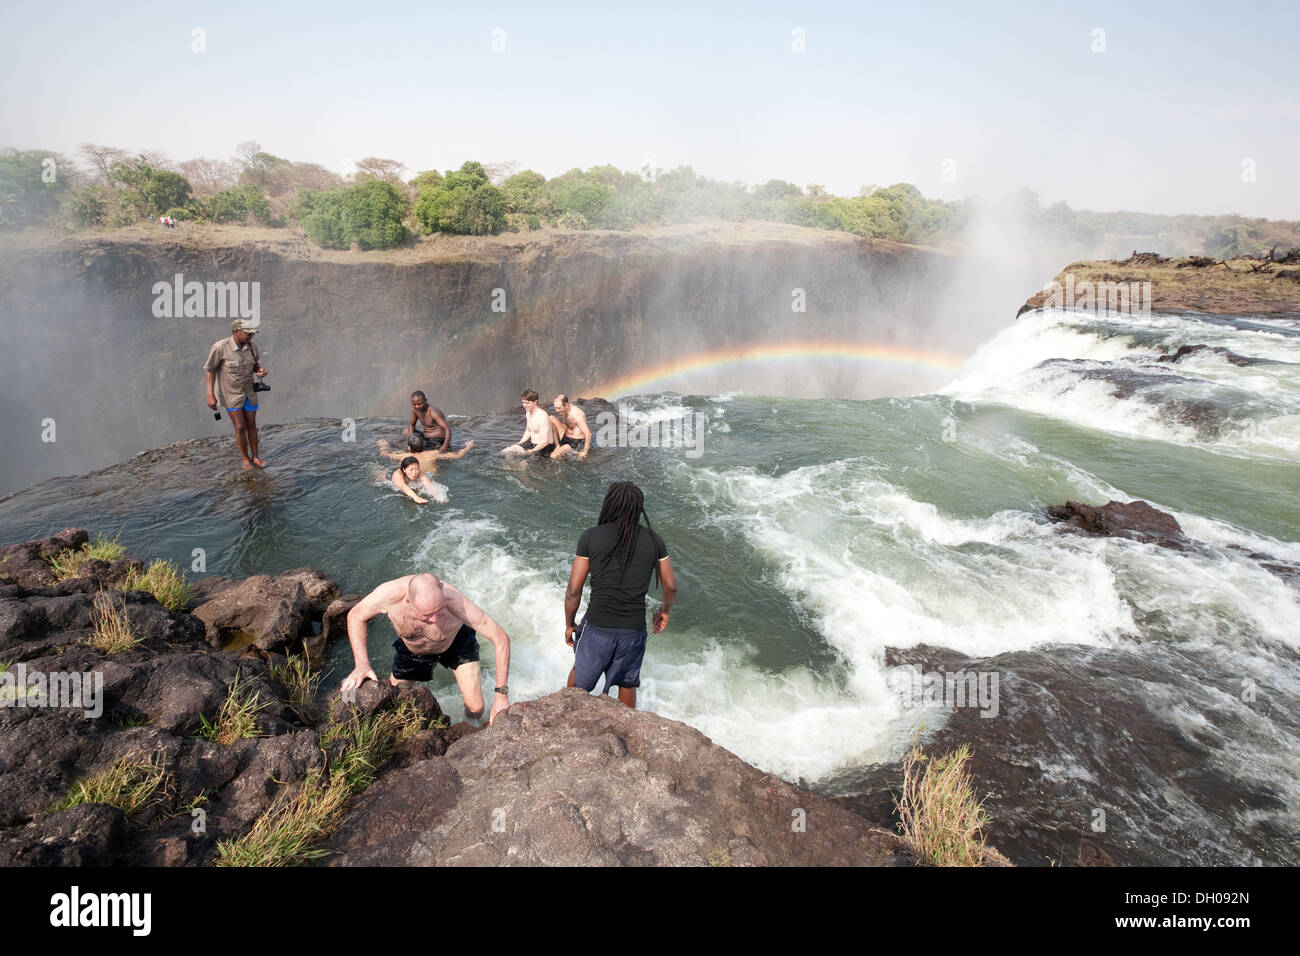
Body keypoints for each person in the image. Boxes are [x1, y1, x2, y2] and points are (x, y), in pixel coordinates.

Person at [342, 572, 511, 723]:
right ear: (408, 600)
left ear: (442, 590)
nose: (435, 619)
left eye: (439, 610)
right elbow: (356, 616)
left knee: (476, 709)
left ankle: (469, 726)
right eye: (427, 614)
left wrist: (501, 695)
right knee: (395, 702)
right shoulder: (388, 596)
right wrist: (362, 664)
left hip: (456, 644)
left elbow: (501, 638)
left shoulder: (456, 601)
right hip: (413, 650)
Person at [564, 481, 676, 708]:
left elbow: (574, 590)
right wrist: (664, 611)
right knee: (627, 683)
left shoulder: (591, 536)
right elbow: (671, 586)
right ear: (639, 509)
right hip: (632, 631)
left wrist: (569, 624)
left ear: (609, 505)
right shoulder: (655, 541)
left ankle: (566, 719)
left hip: (597, 627)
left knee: (579, 683)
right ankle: (626, 730)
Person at [204, 318, 267, 470]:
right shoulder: (220, 347)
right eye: (248, 334)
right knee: (240, 427)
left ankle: (256, 457)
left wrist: (259, 370)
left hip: (249, 392)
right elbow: (210, 370)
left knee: (252, 424)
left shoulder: (251, 346)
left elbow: (255, 363)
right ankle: (245, 459)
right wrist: (210, 395)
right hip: (231, 394)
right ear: (236, 332)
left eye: (252, 335)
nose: (251, 337)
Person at [377, 432, 475, 473]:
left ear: (409, 447)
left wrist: (383, 445)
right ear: (423, 445)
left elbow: (385, 454)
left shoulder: (403, 456)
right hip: (432, 477)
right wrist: (468, 447)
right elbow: (458, 455)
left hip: (412, 476)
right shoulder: (432, 453)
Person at [503, 388, 557, 457]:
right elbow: (528, 430)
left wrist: (531, 451)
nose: (524, 405)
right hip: (532, 444)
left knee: (524, 462)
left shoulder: (542, 416)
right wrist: (520, 443)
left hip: (544, 448)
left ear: (535, 402)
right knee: (507, 452)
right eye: (523, 402)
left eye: (527, 403)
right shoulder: (528, 413)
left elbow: (545, 442)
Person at [548, 394, 592, 460]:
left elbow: (588, 434)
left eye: (559, 408)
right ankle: (557, 445)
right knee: (551, 418)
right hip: (565, 436)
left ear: (566, 405)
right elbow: (565, 425)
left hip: (575, 442)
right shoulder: (564, 411)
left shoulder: (576, 414)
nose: (556, 411)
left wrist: (584, 452)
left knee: (553, 456)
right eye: (555, 408)